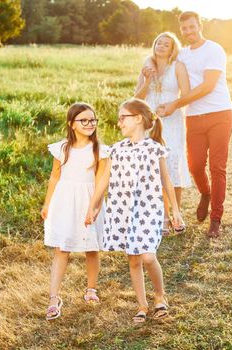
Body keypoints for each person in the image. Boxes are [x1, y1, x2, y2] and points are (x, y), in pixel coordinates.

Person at [85, 98, 184, 323]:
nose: (119, 123)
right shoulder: (117, 149)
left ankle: (160, 295)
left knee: (148, 256)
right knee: (133, 260)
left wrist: (175, 211)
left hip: (148, 209)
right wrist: (93, 206)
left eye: (123, 118)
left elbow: (166, 181)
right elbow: (104, 181)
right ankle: (142, 304)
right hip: (122, 209)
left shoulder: (154, 148)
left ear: (138, 119)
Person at [156, 11, 232, 238]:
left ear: (200, 25)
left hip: (220, 113)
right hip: (194, 117)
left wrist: (176, 103)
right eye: (184, 29)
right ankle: (205, 193)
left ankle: (216, 219)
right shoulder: (182, 55)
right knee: (195, 165)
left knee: (217, 167)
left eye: (192, 27)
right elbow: (165, 66)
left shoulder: (214, 50)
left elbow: (208, 86)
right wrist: (149, 69)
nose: (188, 32)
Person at [41, 102, 109, 320]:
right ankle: (53, 297)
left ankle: (91, 289)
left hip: (89, 201)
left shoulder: (100, 149)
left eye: (92, 120)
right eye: (84, 120)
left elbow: (101, 183)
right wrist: (47, 203)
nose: (90, 124)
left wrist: (94, 207)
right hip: (65, 202)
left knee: (91, 247)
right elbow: (55, 176)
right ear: (72, 124)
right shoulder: (62, 148)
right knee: (62, 248)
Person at [134, 31, 192, 236]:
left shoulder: (178, 67)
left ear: (172, 49)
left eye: (166, 44)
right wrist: (147, 80)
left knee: (172, 162)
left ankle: (176, 214)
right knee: (153, 166)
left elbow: (186, 96)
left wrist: (171, 106)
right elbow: (136, 98)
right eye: (158, 42)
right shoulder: (147, 66)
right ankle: (161, 217)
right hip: (150, 121)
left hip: (172, 119)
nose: (161, 45)